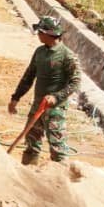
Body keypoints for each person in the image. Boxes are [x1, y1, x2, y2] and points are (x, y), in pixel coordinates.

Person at [9, 16, 81, 165]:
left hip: (55, 109)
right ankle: (28, 173)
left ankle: (60, 180)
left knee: (57, 147)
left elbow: (75, 82)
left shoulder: (67, 56)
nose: (38, 35)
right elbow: (28, 76)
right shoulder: (39, 52)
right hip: (37, 106)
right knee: (31, 143)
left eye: (40, 32)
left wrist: (57, 97)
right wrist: (16, 98)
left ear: (49, 34)